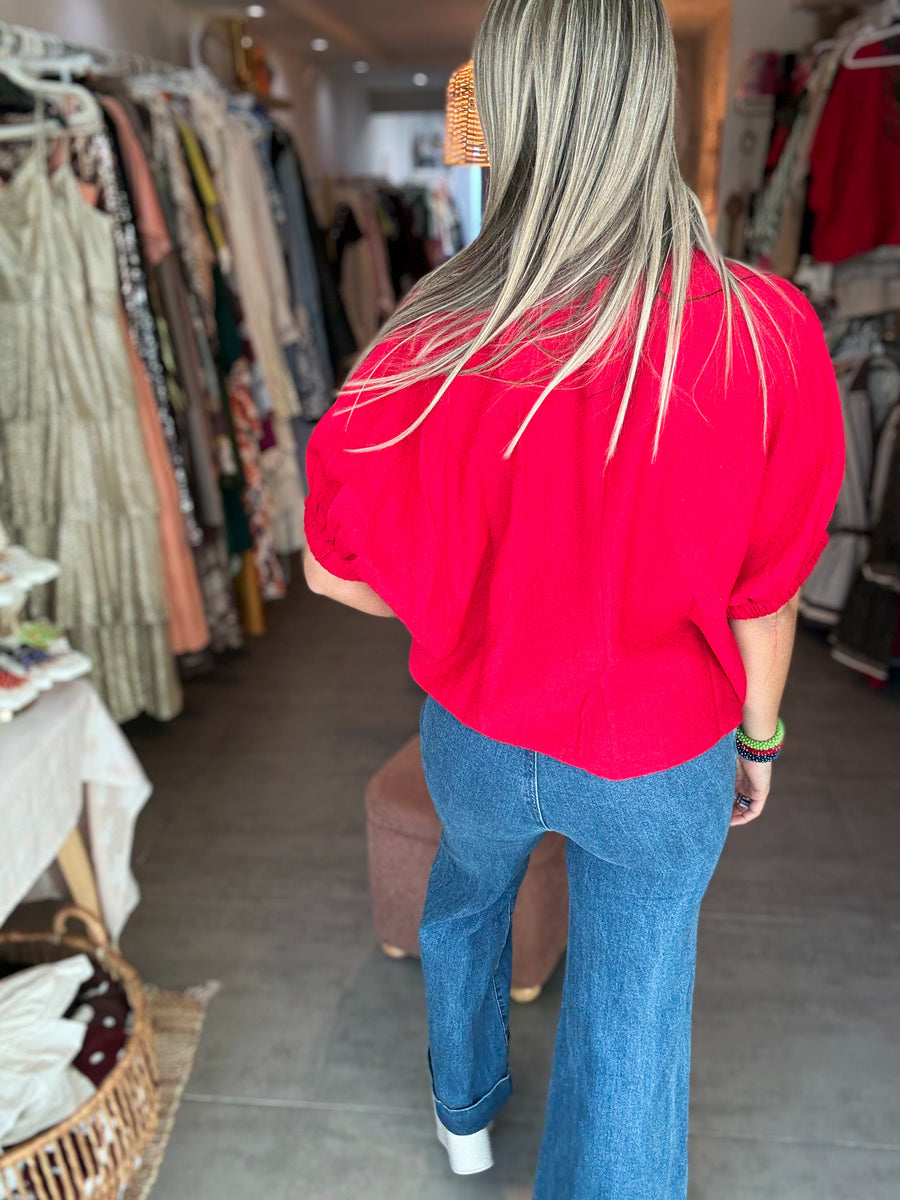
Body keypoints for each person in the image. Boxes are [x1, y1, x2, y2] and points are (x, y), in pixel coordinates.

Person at [302, 0, 845, 1194]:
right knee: (635, 1011)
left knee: (463, 903)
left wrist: (467, 602)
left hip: (482, 733)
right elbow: (767, 596)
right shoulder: (762, 332)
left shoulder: (430, 333)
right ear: (645, 106)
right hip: (663, 754)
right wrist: (758, 739)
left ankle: (463, 1116)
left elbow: (330, 567)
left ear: (513, 109)